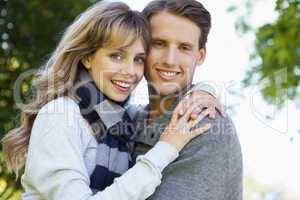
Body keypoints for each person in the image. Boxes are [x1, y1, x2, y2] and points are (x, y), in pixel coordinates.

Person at [1, 1, 222, 200]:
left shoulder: (120, 121)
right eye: (116, 56)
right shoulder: (60, 115)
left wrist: (204, 91)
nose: (129, 71)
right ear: (87, 56)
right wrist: (165, 149)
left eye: (138, 59)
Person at [133, 0, 243, 199]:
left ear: (200, 57)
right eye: (159, 43)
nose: (170, 60)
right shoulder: (129, 120)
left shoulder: (205, 124)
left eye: (184, 48)